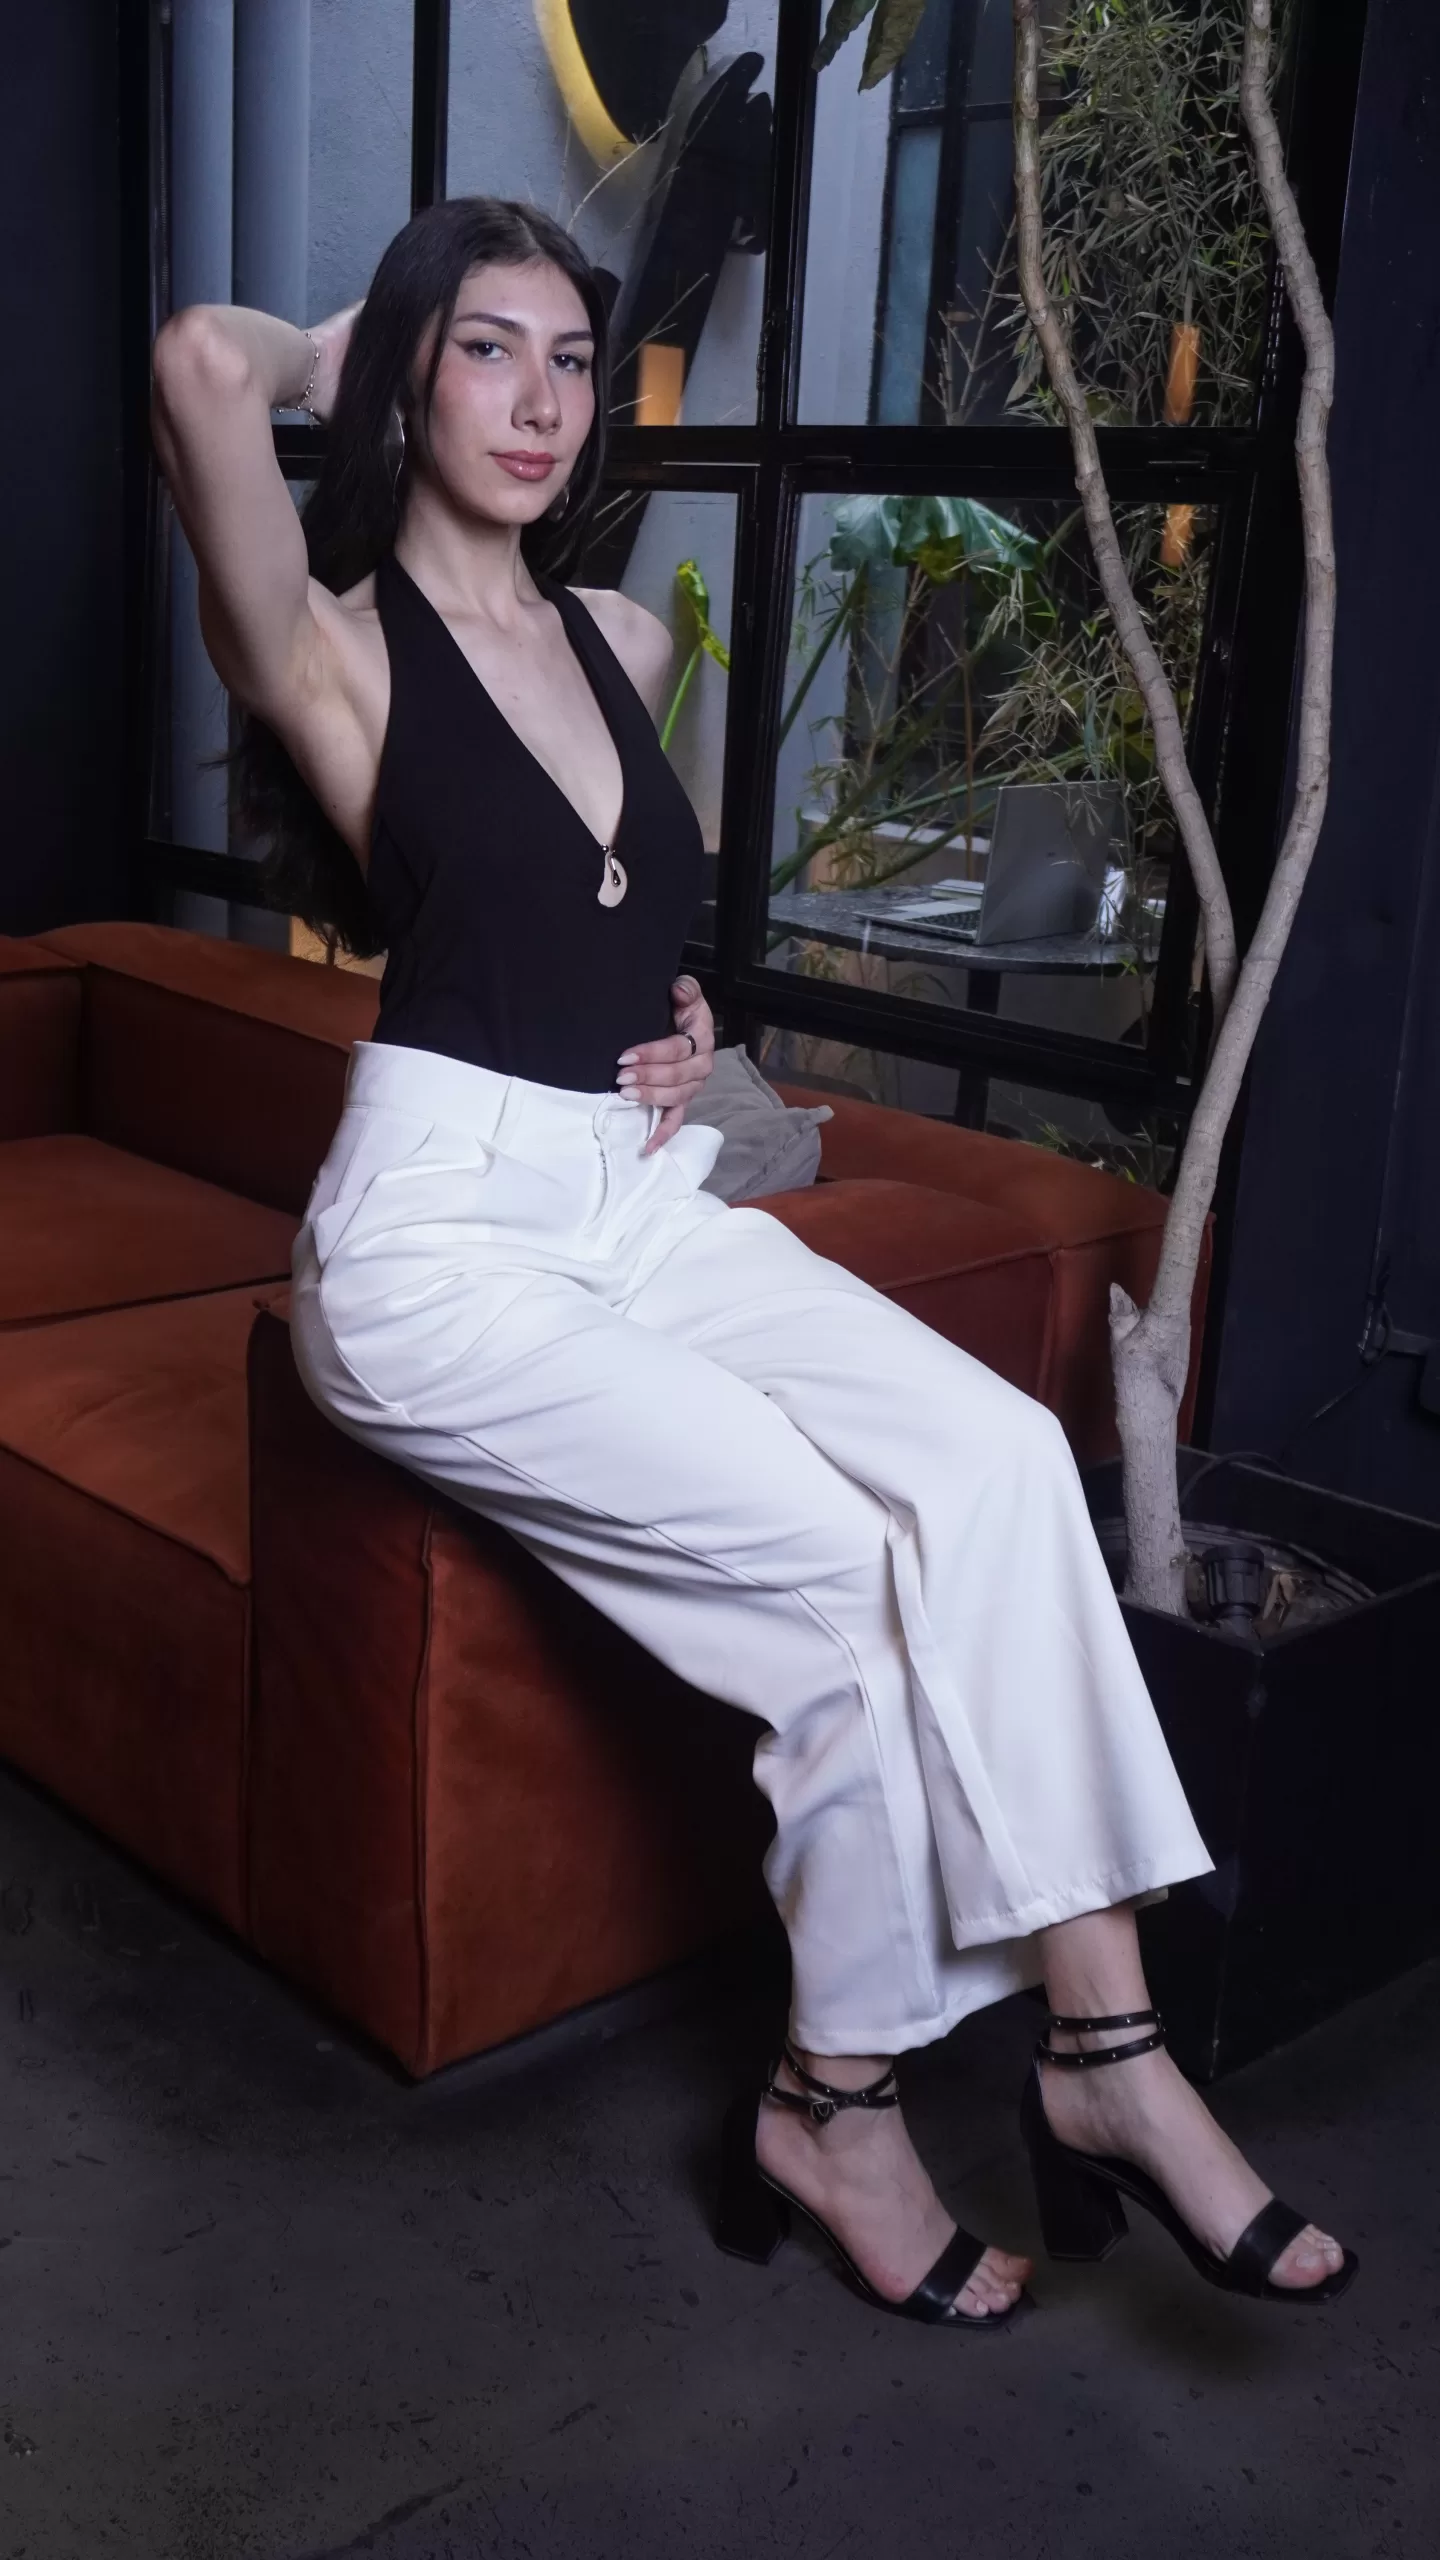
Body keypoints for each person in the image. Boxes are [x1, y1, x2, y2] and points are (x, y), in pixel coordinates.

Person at [151, 195, 1354, 2328]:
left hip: (638, 1188)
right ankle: (838, 2103)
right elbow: (195, 369)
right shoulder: (332, 648)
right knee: (839, 1580)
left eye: (570, 359)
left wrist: (683, 1022)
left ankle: (1106, 2045)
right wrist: (356, 335)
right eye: (488, 350)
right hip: (442, 1246)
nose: (542, 400)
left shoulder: (622, 642)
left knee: (998, 1463)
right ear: (415, 375)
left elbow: (602, 922)